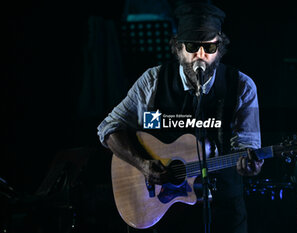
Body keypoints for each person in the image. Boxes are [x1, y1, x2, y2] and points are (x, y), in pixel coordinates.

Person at [97, 2, 264, 233]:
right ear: (177, 48)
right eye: (192, 46)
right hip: (166, 210)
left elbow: (248, 147)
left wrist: (251, 165)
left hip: (223, 210)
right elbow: (108, 128)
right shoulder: (153, 81)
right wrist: (143, 164)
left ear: (221, 48)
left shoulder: (242, 87)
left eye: (210, 48)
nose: (201, 56)